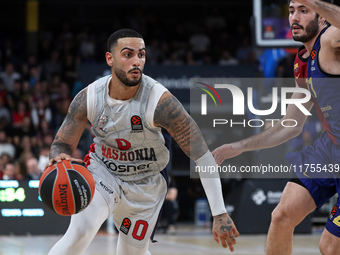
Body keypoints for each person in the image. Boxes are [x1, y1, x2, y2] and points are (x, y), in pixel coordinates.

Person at [46, 29, 239, 255]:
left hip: (147, 182)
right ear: (110, 58)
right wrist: (58, 156)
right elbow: (62, 144)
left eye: (141, 55)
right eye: (128, 54)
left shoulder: (161, 103)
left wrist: (219, 213)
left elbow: (202, 155)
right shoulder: (89, 97)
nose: (136, 61)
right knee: (80, 233)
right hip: (104, 171)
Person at [212, 1, 340, 254]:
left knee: (330, 246)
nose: (295, 17)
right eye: (292, 11)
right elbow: (289, 126)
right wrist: (238, 146)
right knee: (281, 216)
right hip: (330, 148)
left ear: (323, 18)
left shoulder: (331, 40)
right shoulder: (302, 62)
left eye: (304, 11)